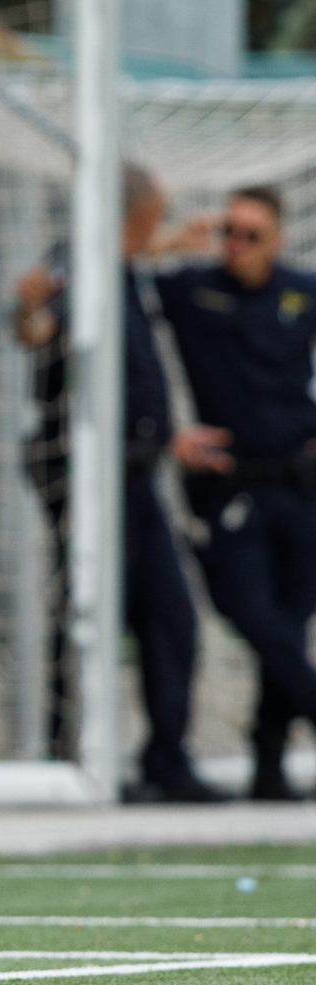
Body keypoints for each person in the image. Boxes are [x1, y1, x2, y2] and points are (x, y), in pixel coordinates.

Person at [15, 165, 231, 803]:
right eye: (154, 219)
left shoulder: (120, 267)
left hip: (137, 475)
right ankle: (71, 757)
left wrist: (169, 437)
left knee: (171, 618)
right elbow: (37, 329)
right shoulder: (72, 269)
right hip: (84, 481)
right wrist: (27, 309)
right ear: (136, 215)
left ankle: (166, 757)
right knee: (87, 614)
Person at [153, 185, 316, 801]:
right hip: (230, 485)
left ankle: (270, 769)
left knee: (292, 624)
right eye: (229, 232)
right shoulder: (194, 288)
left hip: (299, 484)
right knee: (254, 619)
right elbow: (114, 276)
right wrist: (170, 434)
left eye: (251, 235)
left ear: (277, 239)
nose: (236, 246)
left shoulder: (302, 291)